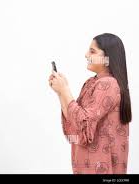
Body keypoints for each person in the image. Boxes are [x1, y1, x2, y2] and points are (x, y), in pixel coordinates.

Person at [49, 33, 131, 174]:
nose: (86, 55)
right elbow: (76, 127)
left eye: (92, 51)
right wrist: (61, 93)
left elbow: (84, 124)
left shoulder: (108, 84)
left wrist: (65, 90)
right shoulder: (91, 83)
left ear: (108, 57)